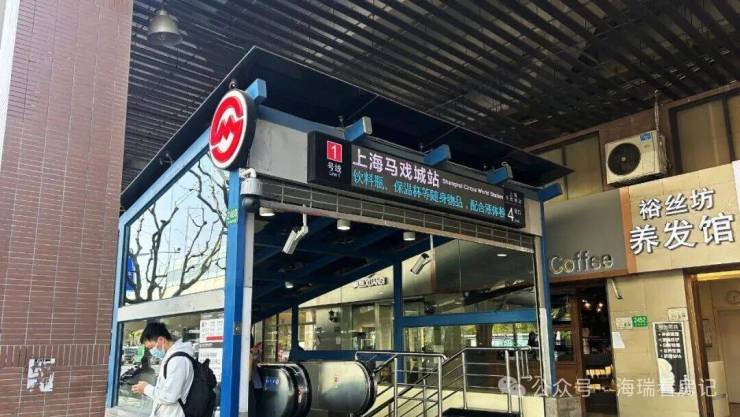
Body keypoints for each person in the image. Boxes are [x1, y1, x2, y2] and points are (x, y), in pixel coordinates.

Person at [132, 322, 195, 417]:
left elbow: (170, 396)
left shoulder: (178, 360)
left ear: (161, 339)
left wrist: (146, 388)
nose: (151, 351)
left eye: (151, 347)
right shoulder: (171, 357)